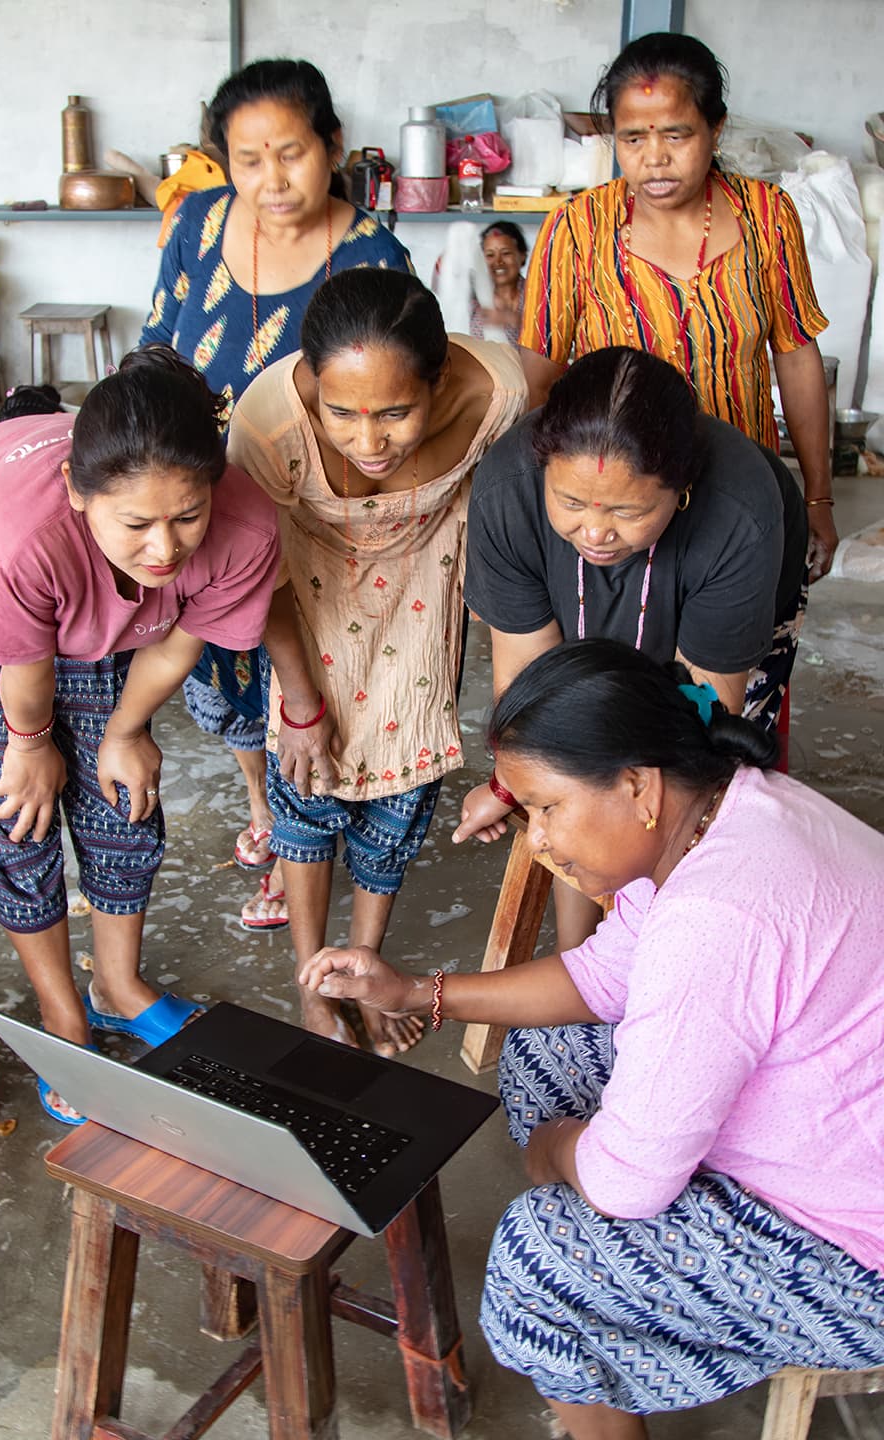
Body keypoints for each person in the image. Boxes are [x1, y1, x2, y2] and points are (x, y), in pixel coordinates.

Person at [300, 638, 884, 1440]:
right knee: (546, 1049)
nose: (536, 839)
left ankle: (593, 1355)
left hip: (856, 1249)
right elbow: (603, 978)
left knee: (539, 1262)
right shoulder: (727, 808)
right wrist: (415, 991)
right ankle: (617, 1304)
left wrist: (556, 1153)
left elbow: (626, 1185)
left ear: (638, 786)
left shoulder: (716, 918)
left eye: (545, 807)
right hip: (831, 1133)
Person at [0, 346, 281, 1123]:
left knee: (123, 794)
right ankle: (63, 1020)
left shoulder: (247, 525)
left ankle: (119, 989)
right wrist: (30, 746)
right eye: (138, 524)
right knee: (18, 812)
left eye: (187, 516)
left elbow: (182, 634)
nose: (165, 547)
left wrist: (125, 730)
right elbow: (24, 667)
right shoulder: (12, 539)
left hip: (77, 594)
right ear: (77, 494)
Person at [140, 58, 413, 929]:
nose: (272, 180)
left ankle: (298, 840)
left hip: (320, 514)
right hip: (208, 504)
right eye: (248, 160)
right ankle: (264, 811)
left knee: (305, 682)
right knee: (220, 676)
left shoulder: (373, 253)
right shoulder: (197, 224)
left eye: (290, 154)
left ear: (331, 146)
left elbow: (402, 390)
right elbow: (157, 342)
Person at [227, 268, 527, 1050]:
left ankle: (363, 964)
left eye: (395, 412)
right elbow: (263, 581)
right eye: (342, 414)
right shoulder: (267, 427)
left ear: (440, 381)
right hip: (309, 612)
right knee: (307, 798)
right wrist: (299, 703)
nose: (368, 442)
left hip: (420, 618)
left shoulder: (496, 389)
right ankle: (314, 987)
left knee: (399, 808)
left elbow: (572, 401)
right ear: (311, 389)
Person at [454, 345, 807, 948]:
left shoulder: (739, 511)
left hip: (719, 646)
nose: (594, 532)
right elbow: (535, 695)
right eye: (570, 503)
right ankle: (581, 954)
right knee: (576, 771)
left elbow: (696, 735)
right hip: (580, 626)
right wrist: (516, 784)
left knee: (696, 805)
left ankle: (675, 950)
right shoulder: (507, 491)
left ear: (681, 490)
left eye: (627, 510)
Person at [519, 31, 837, 582]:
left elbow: (797, 359)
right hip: (618, 507)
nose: (654, 158)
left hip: (742, 495)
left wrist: (817, 499)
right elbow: (538, 386)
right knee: (622, 662)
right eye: (633, 138)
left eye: (676, 134)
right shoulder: (576, 229)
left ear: (715, 129)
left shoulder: (767, 218)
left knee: (736, 654)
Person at [470, 221, 528, 344]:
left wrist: (516, 321)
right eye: (490, 255)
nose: (498, 262)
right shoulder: (475, 293)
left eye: (506, 253)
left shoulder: (537, 297)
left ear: (522, 255)